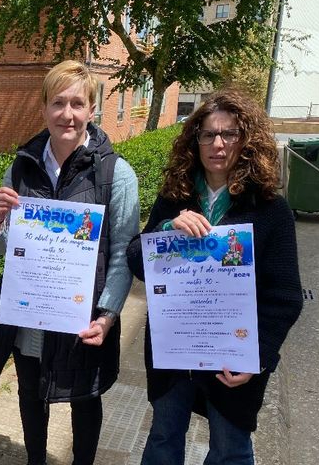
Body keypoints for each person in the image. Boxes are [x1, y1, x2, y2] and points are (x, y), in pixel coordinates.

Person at [125, 90, 303, 465]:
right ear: (196, 141)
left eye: (230, 134)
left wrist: (258, 356)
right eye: (208, 134)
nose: (218, 144)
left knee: (230, 450)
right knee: (163, 440)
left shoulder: (270, 209)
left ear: (247, 140)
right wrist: (166, 230)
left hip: (231, 359)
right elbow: (136, 261)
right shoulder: (175, 198)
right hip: (175, 353)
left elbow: (285, 296)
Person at [0, 60, 140, 465]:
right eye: (57, 103)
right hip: (31, 317)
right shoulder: (20, 167)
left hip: (82, 318)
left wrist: (106, 316)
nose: (66, 114)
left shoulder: (116, 174)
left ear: (91, 109)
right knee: (30, 398)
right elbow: (8, 251)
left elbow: (123, 253)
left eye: (77, 103)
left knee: (85, 403)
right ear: (44, 109)